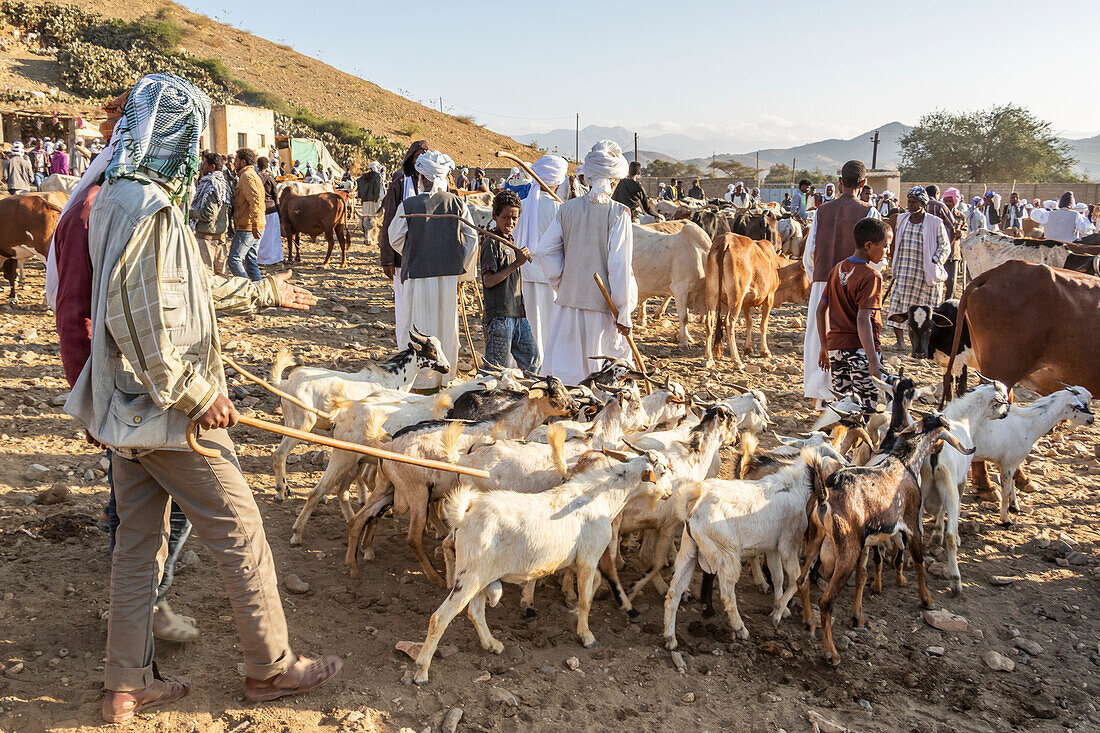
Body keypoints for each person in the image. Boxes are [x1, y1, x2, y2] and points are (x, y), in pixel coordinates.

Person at [62, 72, 338, 724]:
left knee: (138, 545)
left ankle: (124, 685)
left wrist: (270, 292)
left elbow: (191, 287)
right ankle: (270, 666)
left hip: (128, 408)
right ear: (174, 131)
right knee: (242, 532)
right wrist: (197, 393)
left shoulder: (116, 198)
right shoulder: (147, 208)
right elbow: (141, 317)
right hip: (169, 415)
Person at [531, 140, 635, 384]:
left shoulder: (566, 209)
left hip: (568, 304)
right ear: (614, 180)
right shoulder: (619, 213)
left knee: (566, 372)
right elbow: (619, 266)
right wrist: (623, 310)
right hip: (603, 308)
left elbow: (545, 250)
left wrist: (562, 282)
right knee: (600, 372)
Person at [386, 149, 478, 389]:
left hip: (417, 275)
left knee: (416, 325)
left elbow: (394, 237)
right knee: (445, 324)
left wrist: (413, 251)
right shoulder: (458, 204)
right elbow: (472, 238)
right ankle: (444, 378)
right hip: (448, 278)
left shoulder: (409, 204)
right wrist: (462, 271)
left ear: (422, 178)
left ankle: (417, 382)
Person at [801, 160, 881, 405]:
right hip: (855, 284)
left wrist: (820, 277)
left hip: (823, 282)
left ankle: (821, 396)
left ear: (839, 182)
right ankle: (847, 396)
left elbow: (809, 253)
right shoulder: (869, 211)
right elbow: (876, 255)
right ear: (863, 183)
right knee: (852, 335)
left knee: (820, 337)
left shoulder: (822, 211)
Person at [815, 218, 890, 412]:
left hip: (836, 350)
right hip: (860, 351)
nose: (887, 252)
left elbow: (820, 310)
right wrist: (873, 361)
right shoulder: (871, 276)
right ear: (868, 245)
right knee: (867, 408)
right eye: (885, 247)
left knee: (844, 408)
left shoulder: (837, 269)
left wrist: (824, 347)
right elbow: (863, 319)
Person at [515, 154, 569, 358]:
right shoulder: (560, 209)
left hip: (523, 274)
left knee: (527, 323)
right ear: (558, 181)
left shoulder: (521, 204)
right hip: (550, 277)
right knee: (548, 325)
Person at [481, 190, 540, 373]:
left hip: (518, 315)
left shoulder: (510, 242)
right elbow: (489, 281)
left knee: (533, 363)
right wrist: (516, 263)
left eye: (514, 218)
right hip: (500, 317)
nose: (510, 222)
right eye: (505, 217)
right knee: (496, 371)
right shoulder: (491, 243)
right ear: (495, 215)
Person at [885, 187, 951, 347]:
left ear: (922, 203)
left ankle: (926, 343)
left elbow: (945, 247)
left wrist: (934, 261)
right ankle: (900, 342)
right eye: (909, 201)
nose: (910, 205)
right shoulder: (902, 219)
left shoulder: (934, 222)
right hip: (904, 271)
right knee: (898, 306)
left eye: (913, 202)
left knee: (927, 309)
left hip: (925, 274)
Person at [380, 140, 430, 347]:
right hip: (404, 257)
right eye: (418, 157)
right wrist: (387, 259)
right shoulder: (400, 184)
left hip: (430, 258)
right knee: (405, 305)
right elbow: (389, 222)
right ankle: (406, 347)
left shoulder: (437, 183)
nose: (421, 161)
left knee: (428, 305)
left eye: (425, 157)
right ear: (411, 159)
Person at [189, 151, 231, 276]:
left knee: (207, 273)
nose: (202, 166)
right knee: (221, 273)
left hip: (208, 235)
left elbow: (209, 214)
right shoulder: (223, 183)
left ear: (212, 167)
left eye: (205, 164)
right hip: (220, 233)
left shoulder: (211, 184)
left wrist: (189, 213)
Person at [228, 148, 265, 281]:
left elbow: (255, 200)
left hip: (248, 226)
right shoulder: (250, 175)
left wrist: (254, 224)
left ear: (243, 162)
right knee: (251, 262)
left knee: (234, 260)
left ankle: (248, 288)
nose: (234, 164)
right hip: (255, 225)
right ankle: (260, 292)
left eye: (236, 161)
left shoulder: (246, 176)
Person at [256, 156, 283, 267]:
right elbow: (275, 196)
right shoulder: (270, 179)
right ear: (267, 166)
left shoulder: (255, 179)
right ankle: (274, 259)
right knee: (273, 235)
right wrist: (279, 210)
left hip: (259, 210)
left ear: (258, 165)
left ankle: (261, 259)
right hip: (271, 209)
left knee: (261, 236)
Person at [356, 161, 384, 239]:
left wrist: (361, 196)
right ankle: (373, 231)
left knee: (365, 214)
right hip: (374, 200)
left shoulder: (363, 176)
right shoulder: (377, 176)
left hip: (365, 200)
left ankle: (364, 229)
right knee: (374, 215)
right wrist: (377, 197)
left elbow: (358, 184)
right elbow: (377, 188)